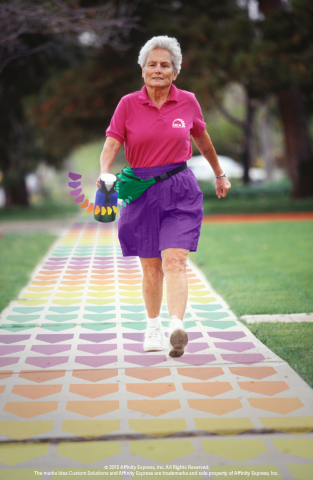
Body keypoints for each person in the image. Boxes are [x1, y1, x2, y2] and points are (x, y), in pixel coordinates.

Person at [96, 36, 231, 357]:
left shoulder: (188, 102)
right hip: (141, 191)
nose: (158, 70)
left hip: (180, 188)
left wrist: (219, 173)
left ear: (175, 72)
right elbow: (112, 143)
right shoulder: (128, 104)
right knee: (151, 266)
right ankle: (153, 326)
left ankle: (176, 326)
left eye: (165, 65)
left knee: (175, 260)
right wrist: (104, 173)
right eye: (152, 65)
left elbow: (204, 142)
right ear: (142, 71)